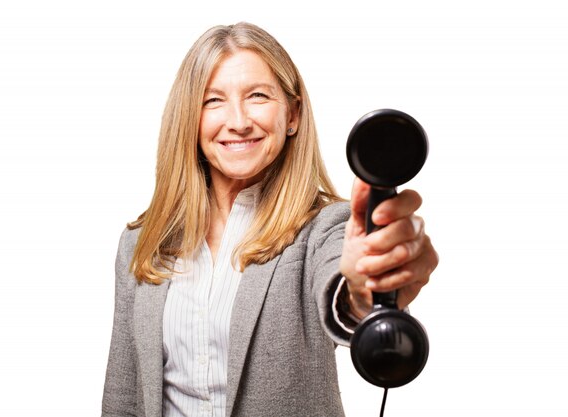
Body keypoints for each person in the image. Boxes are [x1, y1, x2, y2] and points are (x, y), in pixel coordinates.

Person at [102, 22, 439, 417]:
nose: (239, 120)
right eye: (213, 101)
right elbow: (123, 395)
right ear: (189, 120)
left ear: (292, 114)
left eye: (258, 96)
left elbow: (346, 292)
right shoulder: (142, 241)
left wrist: (366, 292)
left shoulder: (326, 228)